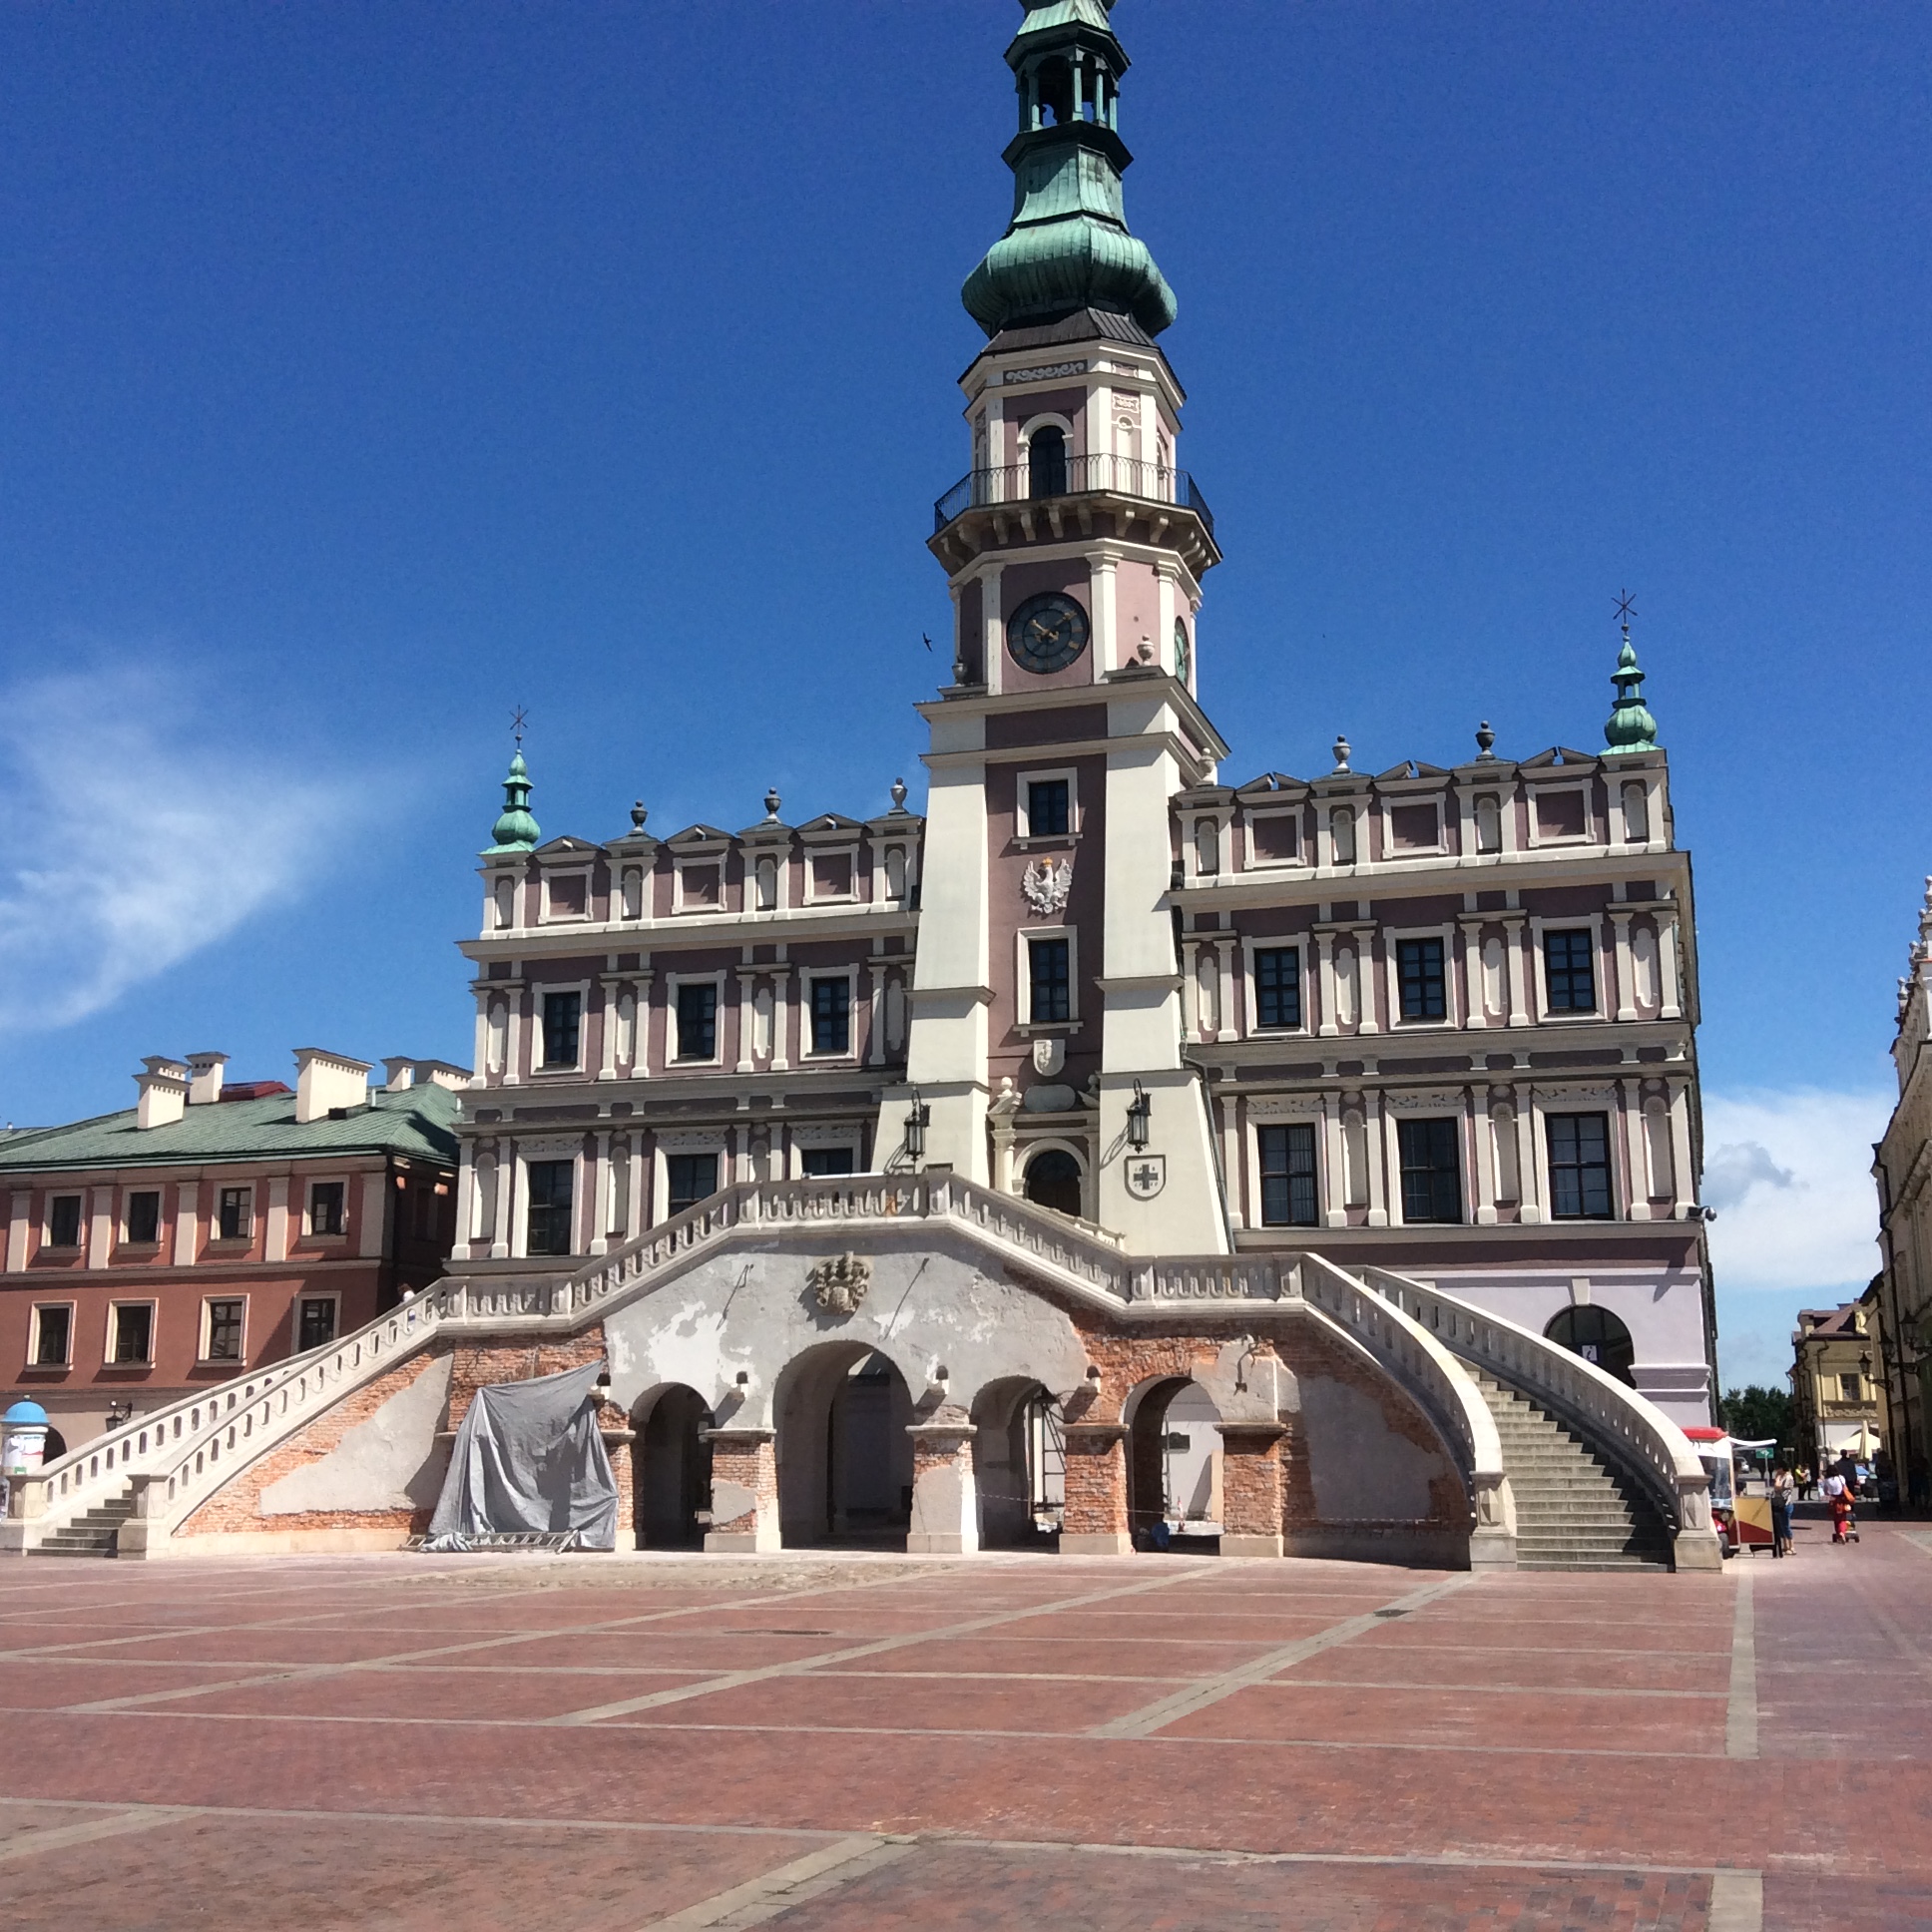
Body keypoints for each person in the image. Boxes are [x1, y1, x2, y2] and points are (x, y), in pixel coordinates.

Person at [1771, 1466, 1796, 1557]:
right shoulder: (1782, 1477)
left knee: (1786, 1525)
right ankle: (1785, 1545)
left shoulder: (1788, 1477)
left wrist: (1777, 1478)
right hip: (1779, 1503)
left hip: (1786, 1504)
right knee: (1781, 1525)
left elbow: (1778, 1487)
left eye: (1778, 1468)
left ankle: (1792, 1547)